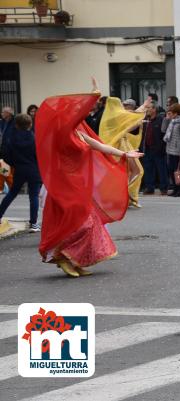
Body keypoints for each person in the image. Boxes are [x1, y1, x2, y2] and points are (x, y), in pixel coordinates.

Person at [35, 78, 143, 277]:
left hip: (79, 182)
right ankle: (63, 256)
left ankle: (75, 260)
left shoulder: (80, 133)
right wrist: (93, 97)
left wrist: (126, 155)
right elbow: (79, 110)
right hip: (63, 183)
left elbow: (101, 146)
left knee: (88, 221)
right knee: (78, 221)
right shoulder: (60, 134)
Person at [99, 97, 148, 208]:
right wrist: (143, 109)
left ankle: (125, 197)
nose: (122, 106)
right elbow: (130, 120)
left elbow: (130, 121)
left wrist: (140, 113)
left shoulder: (108, 117)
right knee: (134, 171)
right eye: (120, 104)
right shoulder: (114, 118)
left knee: (128, 172)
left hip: (119, 147)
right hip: (119, 148)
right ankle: (125, 196)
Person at [0, 114, 42, 232]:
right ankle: (33, 224)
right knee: (33, 196)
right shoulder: (34, 138)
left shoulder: (12, 138)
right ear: (30, 124)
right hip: (34, 169)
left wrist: (14, 163)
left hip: (19, 169)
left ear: (16, 125)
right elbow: (39, 154)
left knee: (12, 193)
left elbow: (6, 154)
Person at [141, 102, 168, 195]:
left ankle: (164, 188)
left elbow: (164, 135)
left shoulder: (161, 120)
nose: (147, 110)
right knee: (148, 169)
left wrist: (161, 147)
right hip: (147, 149)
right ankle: (149, 187)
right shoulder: (145, 120)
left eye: (148, 108)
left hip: (158, 149)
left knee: (161, 169)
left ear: (154, 110)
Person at [164, 103, 180, 197]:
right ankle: (175, 189)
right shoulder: (173, 121)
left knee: (178, 171)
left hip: (178, 151)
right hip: (170, 149)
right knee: (171, 170)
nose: (170, 115)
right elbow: (164, 130)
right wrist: (166, 120)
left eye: (171, 113)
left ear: (176, 113)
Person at [0, 106, 15, 192]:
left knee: (7, 170)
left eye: (3, 112)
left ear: (8, 114)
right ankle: (9, 186)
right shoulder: (2, 122)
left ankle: (12, 186)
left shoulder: (15, 122)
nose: (1, 114)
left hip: (11, 151)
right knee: (3, 169)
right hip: (3, 150)